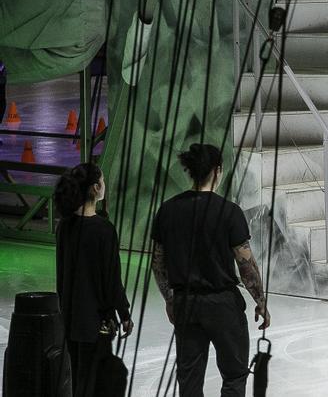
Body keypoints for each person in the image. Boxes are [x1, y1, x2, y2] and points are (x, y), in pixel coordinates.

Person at [150, 144, 269, 397]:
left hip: (186, 303)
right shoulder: (229, 211)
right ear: (217, 171)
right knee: (234, 375)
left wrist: (170, 299)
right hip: (223, 304)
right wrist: (260, 300)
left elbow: (158, 264)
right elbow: (246, 264)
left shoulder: (167, 210)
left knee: (190, 379)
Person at [54, 162, 133, 396]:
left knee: (78, 378)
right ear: (96, 188)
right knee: (96, 384)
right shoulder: (104, 230)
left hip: (70, 318)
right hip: (96, 322)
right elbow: (111, 281)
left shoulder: (65, 226)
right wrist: (124, 314)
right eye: (103, 181)